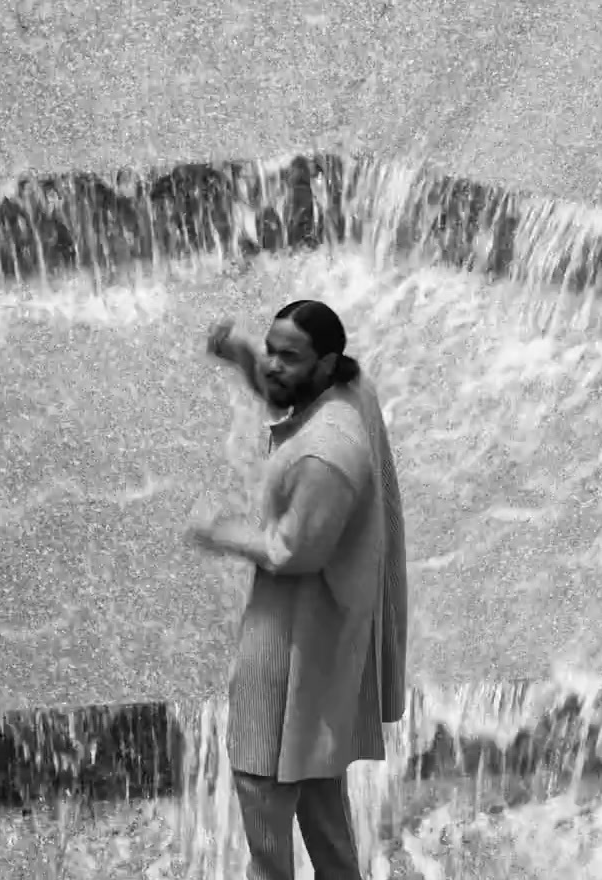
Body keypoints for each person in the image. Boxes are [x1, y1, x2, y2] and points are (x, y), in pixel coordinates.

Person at [186, 299, 409, 880]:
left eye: (289, 356)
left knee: (262, 790)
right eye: (270, 350)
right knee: (316, 788)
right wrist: (239, 354)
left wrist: (222, 532)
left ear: (325, 360)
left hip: (291, 648)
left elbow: (293, 551)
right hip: (324, 642)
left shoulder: (327, 453)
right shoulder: (344, 390)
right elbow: (284, 391)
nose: (273, 365)